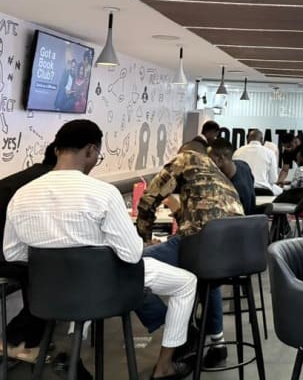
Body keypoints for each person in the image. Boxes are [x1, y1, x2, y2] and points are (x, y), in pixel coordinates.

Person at [4, 120, 196, 380]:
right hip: (103, 287)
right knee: (186, 283)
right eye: (98, 155)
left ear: (57, 150)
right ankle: (164, 367)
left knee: (83, 282)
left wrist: (59, 261)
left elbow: (12, 253)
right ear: (91, 150)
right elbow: (131, 254)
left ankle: (71, 353)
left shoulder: (22, 195)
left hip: (49, 292)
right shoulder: (103, 193)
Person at [137, 141, 244, 370]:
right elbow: (196, 217)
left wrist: (142, 240)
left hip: (201, 245)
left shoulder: (185, 158)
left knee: (128, 268)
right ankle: (218, 344)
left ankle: (180, 329)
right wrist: (176, 208)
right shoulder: (220, 176)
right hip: (234, 254)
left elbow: (148, 200)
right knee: (208, 279)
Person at [0, 143, 56, 362]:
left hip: (7, 252)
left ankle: (28, 339)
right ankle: (16, 341)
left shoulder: (27, 177)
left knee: (44, 267)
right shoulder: (44, 185)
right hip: (6, 256)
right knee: (51, 272)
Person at [208, 137, 256, 215]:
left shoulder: (234, 190)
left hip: (240, 220)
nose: (207, 163)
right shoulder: (243, 165)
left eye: (210, 160)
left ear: (220, 160)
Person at [232, 130, 281, 196]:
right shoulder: (270, 153)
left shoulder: (238, 152)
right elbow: (273, 179)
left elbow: (234, 175)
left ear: (248, 140)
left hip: (243, 191)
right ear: (262, 140)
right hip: (264, 191)